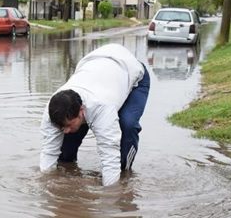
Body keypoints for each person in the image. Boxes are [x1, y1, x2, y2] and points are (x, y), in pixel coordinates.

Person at [39, 43, 150, 186]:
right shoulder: (52, 110)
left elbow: (109, 155)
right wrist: (48, 185)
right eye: (60, 127)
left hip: (132, 73)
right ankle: (69, 167)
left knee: (127, 124)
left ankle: (124, 172)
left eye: (67, 125)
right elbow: (49, 152)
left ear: (81, 110)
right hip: (94, 65)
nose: (64, 130)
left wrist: (113, 194)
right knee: (64, 153)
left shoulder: (102, 108)